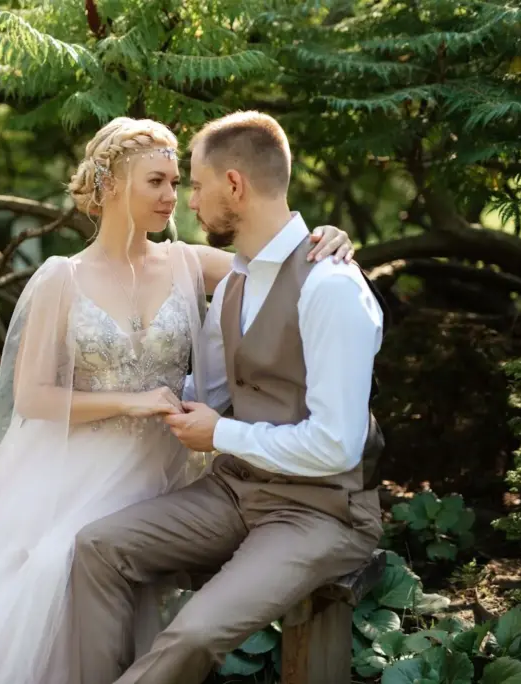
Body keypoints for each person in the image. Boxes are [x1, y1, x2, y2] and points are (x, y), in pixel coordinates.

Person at [0, 116, 355, 684]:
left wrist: (328, 237)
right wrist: (127, 403)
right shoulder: (62, 277)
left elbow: (271, 255)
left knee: (105, 559)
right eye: (155, 182)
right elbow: (32, 395)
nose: (172, 196)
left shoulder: (189, 262)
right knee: (55, 561)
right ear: (110, 186)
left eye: (177, 183)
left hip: (167, 465)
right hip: (81, 462)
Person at [70, 111, 387, 684]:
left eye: (194, 184)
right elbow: (207, 392)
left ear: (234, 185)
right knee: (98, 546)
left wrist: (220, 434)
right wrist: (117, 397)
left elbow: (339, 446)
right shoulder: (236, 280)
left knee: (192, 633)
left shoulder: (331, 287)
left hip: (321, 513)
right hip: (237, 492)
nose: (187, 201)